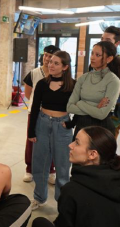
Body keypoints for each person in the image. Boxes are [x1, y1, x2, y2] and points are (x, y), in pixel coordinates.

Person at [32, 126, 120, 227]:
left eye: (77, 142)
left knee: (39, 222)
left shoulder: (72, 191)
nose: (70, 145)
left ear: (92, 154)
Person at [27, 51, 75, 210]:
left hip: (62, 127)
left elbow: (81, 107)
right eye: (50, 62)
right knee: (39, 164)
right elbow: (34, 108)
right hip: (42, 124)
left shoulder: (73, 85)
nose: (51, 65)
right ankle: (39, 198)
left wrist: (71, 124)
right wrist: (31, 132)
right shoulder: (42, 83)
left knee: (62, 167)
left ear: (65, 67)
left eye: (56, 63)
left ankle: (62, 203)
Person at [66, 41, 120, 137]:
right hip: (81, 127)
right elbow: (69, 107)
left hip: (102, 129)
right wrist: (95, 107)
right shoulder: (83, 78)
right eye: (92, 53)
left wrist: (80, 103)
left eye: (98, 55)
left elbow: (101, 114)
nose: (92, 57)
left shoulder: (113, 81)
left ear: (109, 59)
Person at [23, 45, 60, 184]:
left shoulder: (58, 75)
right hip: (34, 112)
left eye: (51, 57)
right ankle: (29, 169)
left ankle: (51, 170)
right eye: (45, 55)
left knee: (51, 141)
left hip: (52, 113)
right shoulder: (34, 73)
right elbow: (28, 93)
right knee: (31, 140)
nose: (47, 59)